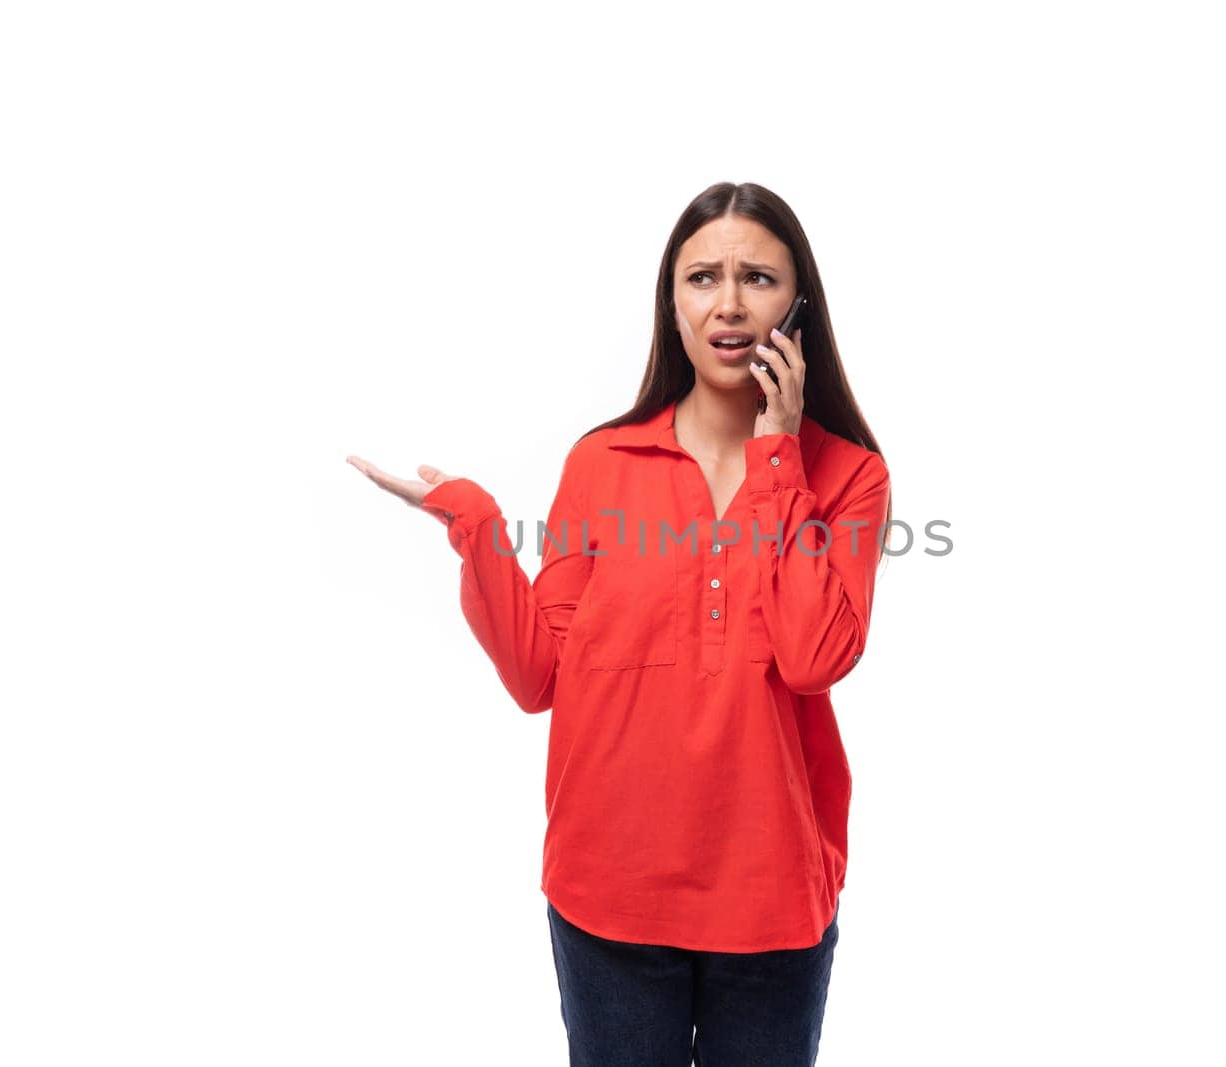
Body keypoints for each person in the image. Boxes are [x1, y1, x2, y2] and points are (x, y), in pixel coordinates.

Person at [348, 181, 892, 1065]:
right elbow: (538, 677)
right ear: (670, 302)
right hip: (610, 893)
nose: (726, 303)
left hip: (772, 902)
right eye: (701, 278)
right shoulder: (601, 463)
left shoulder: (848, 475)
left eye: (756, 277)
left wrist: (779, 456)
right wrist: (478, 527)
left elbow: (813, 658)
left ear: (798, 308)